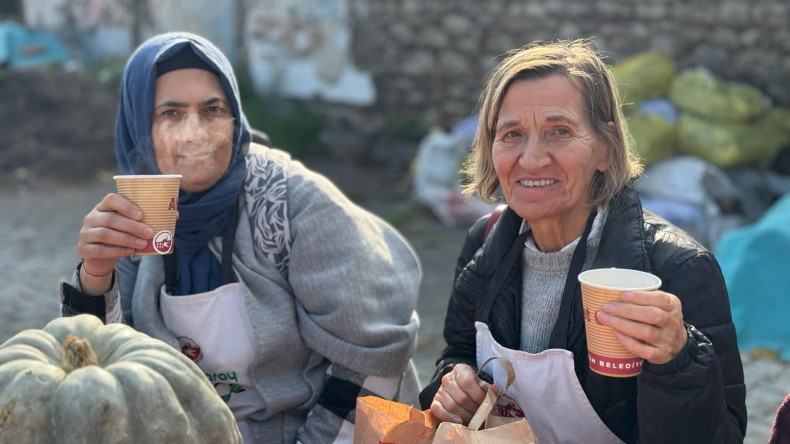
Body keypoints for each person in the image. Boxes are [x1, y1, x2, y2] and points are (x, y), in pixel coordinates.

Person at [60, 32, 421, 443]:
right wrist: (96, 272)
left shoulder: (291, 204)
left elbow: (376, 360)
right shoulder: (140, 216)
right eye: (171, 114)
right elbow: (92, 371)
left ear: (236, 118)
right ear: (137, 126)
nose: (194, 134)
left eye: (212, 110)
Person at [419, 39, 746, 443]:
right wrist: (454, 388)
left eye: (559, 132)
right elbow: (458, 355)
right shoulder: (485, 242)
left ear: (605, 149)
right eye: (512, 134)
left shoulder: (675, 268)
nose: (532, 158)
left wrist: (678, 359)